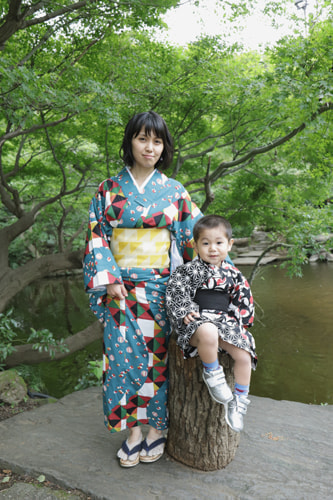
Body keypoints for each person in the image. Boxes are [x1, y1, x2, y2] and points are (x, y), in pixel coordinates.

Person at [83, 111, 203, 467]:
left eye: (157, 141)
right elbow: (96, 238)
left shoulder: (174, 191)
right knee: (121, 360)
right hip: (119, 287)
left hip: (159, 288)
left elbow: (195, 240)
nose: (149, 147)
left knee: (157, 362)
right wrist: (110, 280)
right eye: (142, 139)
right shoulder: (108, 190)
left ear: (163, 146)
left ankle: (157, 429)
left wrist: (216, 277)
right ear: (130, 142)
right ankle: (131, 430)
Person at [166, 214, 257, 432]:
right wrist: (185, 309)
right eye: (205, 243)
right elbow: (175, 291)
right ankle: (213, 373)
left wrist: (240, 323)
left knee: (244, 355)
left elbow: (243, 301)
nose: (212, 249)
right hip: (198, 321)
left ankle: (239, 401)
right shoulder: (187, 271)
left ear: (229, 244)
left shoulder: (233, 274)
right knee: (208, 332)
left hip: (224, 321)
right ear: (195, 246)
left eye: (219, 243)